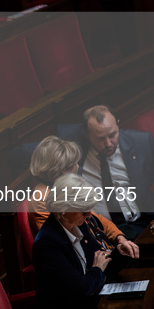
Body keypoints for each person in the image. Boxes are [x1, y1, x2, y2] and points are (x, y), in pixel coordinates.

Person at [10, 105, 154, 239]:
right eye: (100, 138)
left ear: (117, 123)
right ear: (86, 133)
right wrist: (53, 161)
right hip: (99, 232)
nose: (109, 143)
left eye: (112, 135)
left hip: (141, 221)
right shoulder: (71, 146)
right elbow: (20, 153)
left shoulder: (141, 141)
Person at [33, 173, 137, 309]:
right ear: (63, 210)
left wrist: (120, 252)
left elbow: (102, 263)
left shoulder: (79, 224)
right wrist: (97, 269)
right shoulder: (47, 243)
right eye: (83, 211)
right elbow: (83, 289)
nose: (89, 215)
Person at [28, 136, 138, 256]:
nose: (77, 167)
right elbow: (68, 244)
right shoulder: (43, 200)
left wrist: (119, 237)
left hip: (102, 248)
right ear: (55, 172)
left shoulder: (64, 188)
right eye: (72, 165)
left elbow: (96, 219)